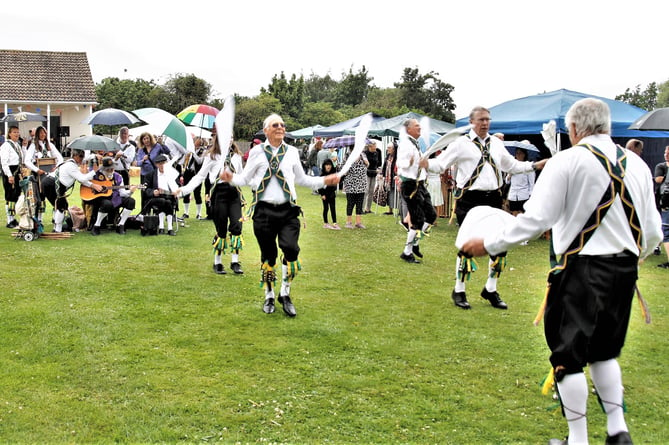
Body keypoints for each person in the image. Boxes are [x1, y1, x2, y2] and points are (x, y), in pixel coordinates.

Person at [461, 98, 662, 445]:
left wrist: (489, 243)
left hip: (580, 271)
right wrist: (635, 258)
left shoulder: (567, 161)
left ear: (573, 129)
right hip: (625, 271)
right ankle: (617, 431)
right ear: (608, 127)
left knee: (568, 357)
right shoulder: (639, 166)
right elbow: (654, 231)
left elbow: (536, 221)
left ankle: (578, 439)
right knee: (604, 351)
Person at [420, 107, 545, 309]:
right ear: (471, 122)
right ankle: (459, 289)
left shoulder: (496, 144)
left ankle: (491, 289)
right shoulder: (461, 144)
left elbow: (511, 166)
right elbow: (441, 164)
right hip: (470, 199)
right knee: (468, 245)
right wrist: (426, 164)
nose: (485, 123)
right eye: (481, 120)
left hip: (494, 198)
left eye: (488, 119)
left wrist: (534, 165)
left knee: (499, 246)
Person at [220, 113, 339, 317]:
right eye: (275, 125)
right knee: (269, 256)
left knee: (291, 250)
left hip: (288, 211)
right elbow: (245, 179)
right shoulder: (257, 152)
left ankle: (285, 293)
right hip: (263, 211)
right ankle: (269, 294)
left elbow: (302, 179)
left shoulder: (292, 152)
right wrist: (231, 178)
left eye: (283, 125)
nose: (280, 128)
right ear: (266, 130)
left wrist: (324, 181)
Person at [177, 139, 245, 275]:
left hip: (234, 193)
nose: (228, 138)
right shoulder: (211, 156)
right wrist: (184, 190)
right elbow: (200, 176)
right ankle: (217, 262)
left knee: (237, 226)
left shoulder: (237, 156)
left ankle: (235, 262)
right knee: (221, 228)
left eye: (230, 136)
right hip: (219, 193)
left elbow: (242, 176)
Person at [397, 118, 437, 264]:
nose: (419, 128)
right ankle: (407, 252)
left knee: (431, 215)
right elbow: (399, 163)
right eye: (416, 126)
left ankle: (415, 244)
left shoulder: (415, 143)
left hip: (420, 184)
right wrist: (410, 162)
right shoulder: (405, 144)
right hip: (410, 185)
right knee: (418, 219)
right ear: (408, 129)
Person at [40, 148, 103, 233]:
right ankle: (57, 230)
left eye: (83, 156)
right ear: (75, 156)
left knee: (62, 205)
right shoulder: (71, 166)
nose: (82, 158)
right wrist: (94, 171)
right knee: (61, 206)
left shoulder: (71, 162)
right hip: (52, 184)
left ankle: (57, 227)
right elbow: (82, 178)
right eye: (80, 156)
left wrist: (94, 156)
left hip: (51, 183)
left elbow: (81, 177)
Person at [22, 125, 64, 222]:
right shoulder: (33, 146)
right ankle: (39, 220)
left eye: (44, 132)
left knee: (54, 193)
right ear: (37, 134)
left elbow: (60, 158)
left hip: (51, 174)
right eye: (40, 133)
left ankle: (56, 217)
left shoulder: (50, 145)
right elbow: (27, 161)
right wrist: (37, 170)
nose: (43, 135)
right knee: (40, 196)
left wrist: (56, 167)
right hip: (38, 174)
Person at [87, 157, 138, 235]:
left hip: (116, 197)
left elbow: (122, 193)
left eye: (112, 169)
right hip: (100, 198)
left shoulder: (118, 177)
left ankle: (121, 225)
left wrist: (130, 191)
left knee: (131, 201)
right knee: (107, 204)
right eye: (108, 169)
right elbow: (86, 182)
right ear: (103, 169)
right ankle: (96, 226)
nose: (111, 171)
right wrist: (94, 186)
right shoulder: (96, 175)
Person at [142, 154, 179, 235]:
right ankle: (165, 227)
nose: (162, 165)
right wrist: (153, 192)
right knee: (163, 201)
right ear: (156, 165)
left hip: (169, 197)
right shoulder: (150, 175)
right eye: (160, 164)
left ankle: (167, 227)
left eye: (164, 163)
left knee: (167, 202)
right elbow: (145, 189)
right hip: (155, 198)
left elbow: (177, 186)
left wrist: (176, 191)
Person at [0, 126, 24, 228]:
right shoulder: (6, 145)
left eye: (18, 132)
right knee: (10, 195)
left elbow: (21, 158)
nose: (17, 134)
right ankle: (10, 220)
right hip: (10, 171)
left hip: (17, 171)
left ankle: (13, 219)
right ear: (9, 134)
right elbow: (4, 162)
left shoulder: (17, 145)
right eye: (14, 132)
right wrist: (9, 175)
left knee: (16, 195)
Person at [342, 146, 368, 229]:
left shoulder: (363, 154)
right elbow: (344, 169)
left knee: (359, 203)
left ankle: (358, 222)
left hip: (361, 182)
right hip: (351, 183)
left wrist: (365, 160)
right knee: (350, 203)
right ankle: (348, 222)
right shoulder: (347, 155)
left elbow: (367, 164)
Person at [181, 136, 206, 220]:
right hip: (187, 172)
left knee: (197, 192)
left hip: (196, 173)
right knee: (186, 192)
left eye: (197, 140)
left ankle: (199, 213)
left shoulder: (203, 151)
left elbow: (200, 161)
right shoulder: (190, 150)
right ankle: (186, 212)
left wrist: (194, 153)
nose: (195, 142)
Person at [505, 146, 535, 218]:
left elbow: (531, 183)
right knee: (514, 213)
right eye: (517, 153)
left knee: (522, 214)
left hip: (523, 194)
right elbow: (507, 181)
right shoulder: (512, 165)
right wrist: (510, 175)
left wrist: (530, 196)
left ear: (524, 155)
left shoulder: (528, 165)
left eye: (520, 153)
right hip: (513, 195)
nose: (518, 155)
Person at [654, 146, 669, 267]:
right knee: (660, 223)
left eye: (668, 153)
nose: (666, 154)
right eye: (665, 152)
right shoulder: (661, 166)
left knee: (666, 227)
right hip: (661, 199)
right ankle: (657, 246)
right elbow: (658, 179)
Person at [318, 158, 340, 229]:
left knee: (333, 208)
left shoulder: (333, 174)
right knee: (326, 208)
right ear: (324, 166)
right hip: (325, 194)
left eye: (329, 165)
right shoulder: (322, 175)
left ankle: (335, 223)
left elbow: (335, 183)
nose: (328, 166)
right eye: (327, 165)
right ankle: (325, 223)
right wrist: (322, 194)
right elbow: (319, 186)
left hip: (332, 194)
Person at [363, 140, 382, 214]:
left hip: (374, 174)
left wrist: (378, 169)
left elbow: (378, 163)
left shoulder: (377, 152)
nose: (375, 147)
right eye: (374, 146)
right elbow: (365, 165)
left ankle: (368, 209)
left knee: (371, 192)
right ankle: (362, 208)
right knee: (366, 191)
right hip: (366, 173)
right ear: (370, 146)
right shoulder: (365, 153)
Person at [381, 142, 397, 215]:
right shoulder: (388, 156)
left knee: (396, 193)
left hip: (394, 176)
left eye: (389, 148)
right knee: (389, 193)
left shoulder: (397, 156)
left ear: (393, 149)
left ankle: (399, 210)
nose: (387, 149)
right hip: (388, 177)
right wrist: (382, 174)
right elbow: (385, 165)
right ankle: (390, 210)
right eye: (387, 148)